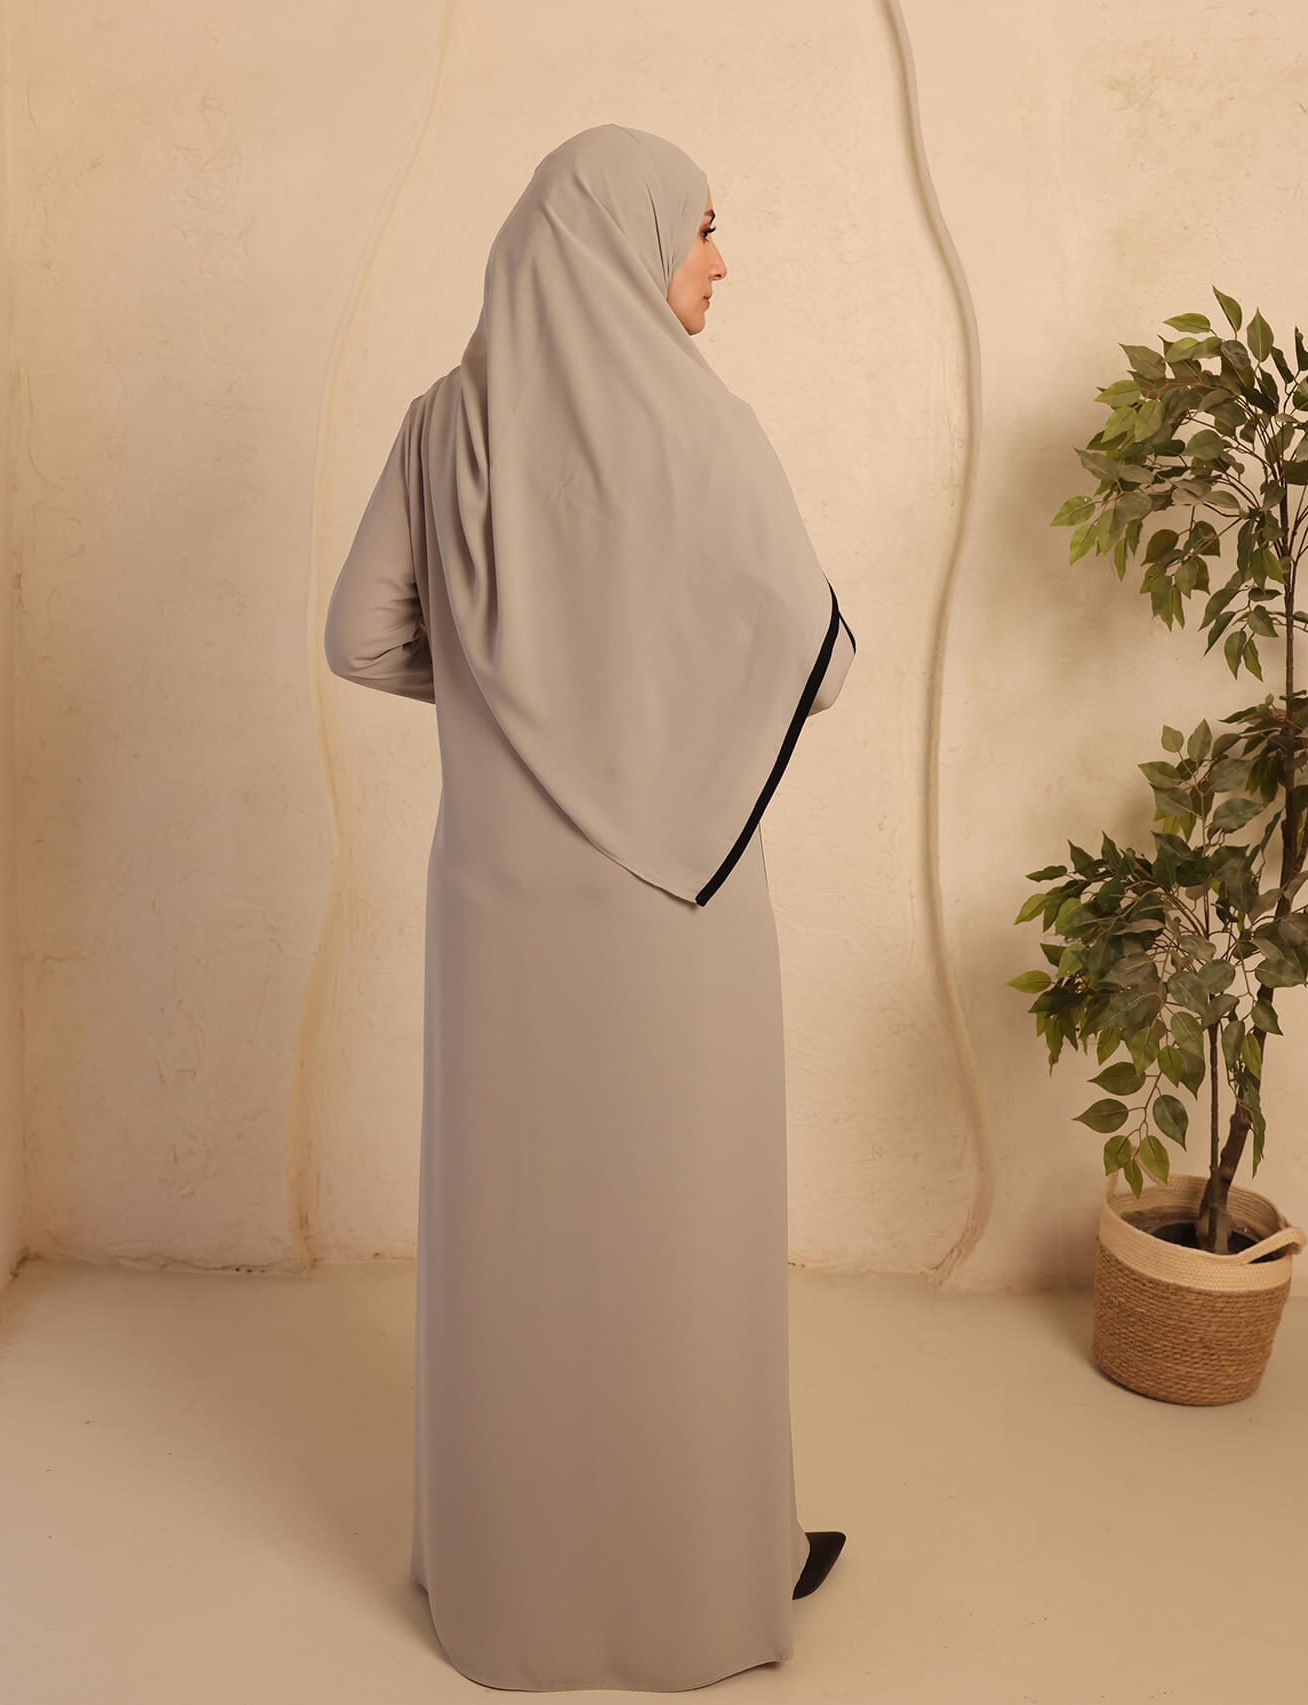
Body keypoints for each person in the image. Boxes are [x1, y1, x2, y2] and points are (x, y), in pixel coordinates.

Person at [324, 123, 854, 1692]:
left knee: (515, 1246)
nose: (718, 261)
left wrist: (509, 701)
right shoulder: (702, 427)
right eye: (700, 227)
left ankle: (512, 1593)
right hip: (682, 923)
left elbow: (360, 638)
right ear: (622, 241)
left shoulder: (442, 425)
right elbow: (819, 659)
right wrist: (646, 711)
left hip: (497, 923)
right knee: (682, 1241)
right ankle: (705, 1581)